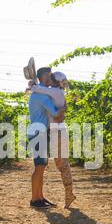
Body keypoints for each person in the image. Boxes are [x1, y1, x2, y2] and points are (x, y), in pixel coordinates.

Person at [29, 72, 76, 209]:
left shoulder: (53, 92)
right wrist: (62, 110)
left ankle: (40, 197)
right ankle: (36, 199)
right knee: (41, 166)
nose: (50, 78)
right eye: (49, 76)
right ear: (44, 77)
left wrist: (33, 85)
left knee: (49, 165)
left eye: (52, 77)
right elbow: (55, 113)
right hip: (43, 132)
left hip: (52, 132)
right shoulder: (46, 94)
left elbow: (39, 88)